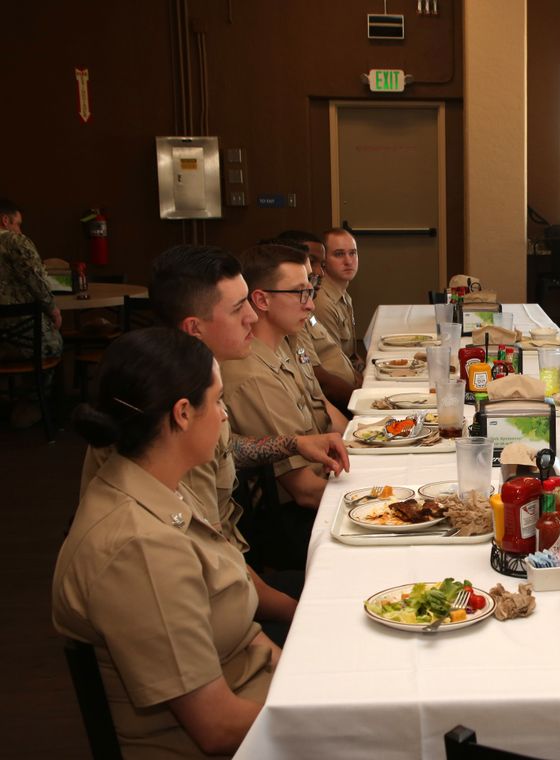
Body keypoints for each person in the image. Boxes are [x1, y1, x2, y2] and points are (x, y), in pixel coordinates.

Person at [79, 244, 351, 635]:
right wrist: (303, 616)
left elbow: (230, 448)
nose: (253, 317)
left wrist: (290, 443)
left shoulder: (194, 382)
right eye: (239, 307)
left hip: (231, 579)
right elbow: (218, 556)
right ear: (194, 328)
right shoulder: (169, 421)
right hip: (209, 607)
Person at [55, 328, 278, 757]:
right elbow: (215, 727)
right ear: (181, 413)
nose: (225, 416)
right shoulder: (138, 549)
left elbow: (244, 625)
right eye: (217, 401)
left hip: (262, 702)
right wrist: (336, 721)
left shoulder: (160, 484)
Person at [221, 244, 348, 569]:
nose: (310, 303)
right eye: (299, 293)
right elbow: (304, 490)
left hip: (329, 485)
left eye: (311, 290)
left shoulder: (287, 342)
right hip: (296, 522)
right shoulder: (252, 374)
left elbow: (333, 420)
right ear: (261, 300)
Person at [276, 230, 362, 408]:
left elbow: (342, 357)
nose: (318, 272)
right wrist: (364, 402)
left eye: (320, 264)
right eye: (310, 262)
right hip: (340, 403)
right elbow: (321, 382)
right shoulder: (298, 312)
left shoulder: (310, 305)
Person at [0, 198, 63, 362]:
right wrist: (52, 309)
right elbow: (36, 280)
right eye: (18, 224)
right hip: (23, 335)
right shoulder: (16, 241)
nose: (19, 230)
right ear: (5, 220)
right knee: (54, 345)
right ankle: (38, 388)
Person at [315, 227, 361, 368]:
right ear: (324, 260)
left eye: (352, 253)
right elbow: (333, 366)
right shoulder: (322, 302)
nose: (348, 261)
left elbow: (350, 356)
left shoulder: (342, 293)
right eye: (339, 254)